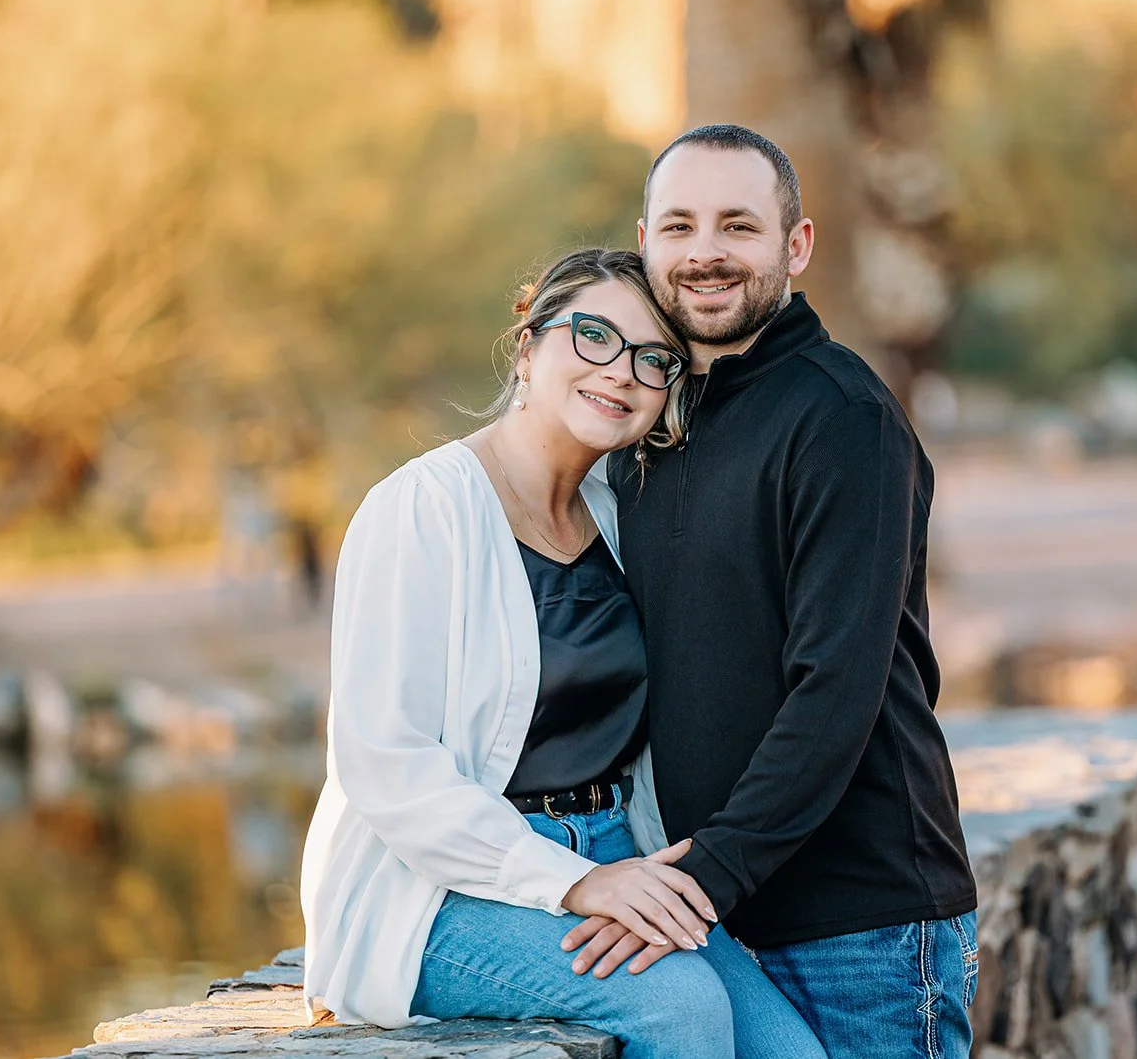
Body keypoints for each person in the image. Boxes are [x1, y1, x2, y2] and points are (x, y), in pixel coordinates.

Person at [299, 248, 826, 1059]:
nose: (620, 373)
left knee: (792, 1052)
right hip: (440, 888)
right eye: (593, 336)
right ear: (528, 347)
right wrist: (571, 881)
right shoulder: (424, 507)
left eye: (655, 359)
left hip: (619, 849)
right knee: (679, 1012)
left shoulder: (622, 515)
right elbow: (384, 759)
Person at [565, 125, 980, 1059]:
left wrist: (702, 876)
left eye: (737, 226)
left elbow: (834, 690)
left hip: (860, 925)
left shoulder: (844, 420)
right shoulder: (649, 424)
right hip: (720, 913)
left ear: (795, 247)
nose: (705, 252)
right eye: (679, 226)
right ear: (646, 243)